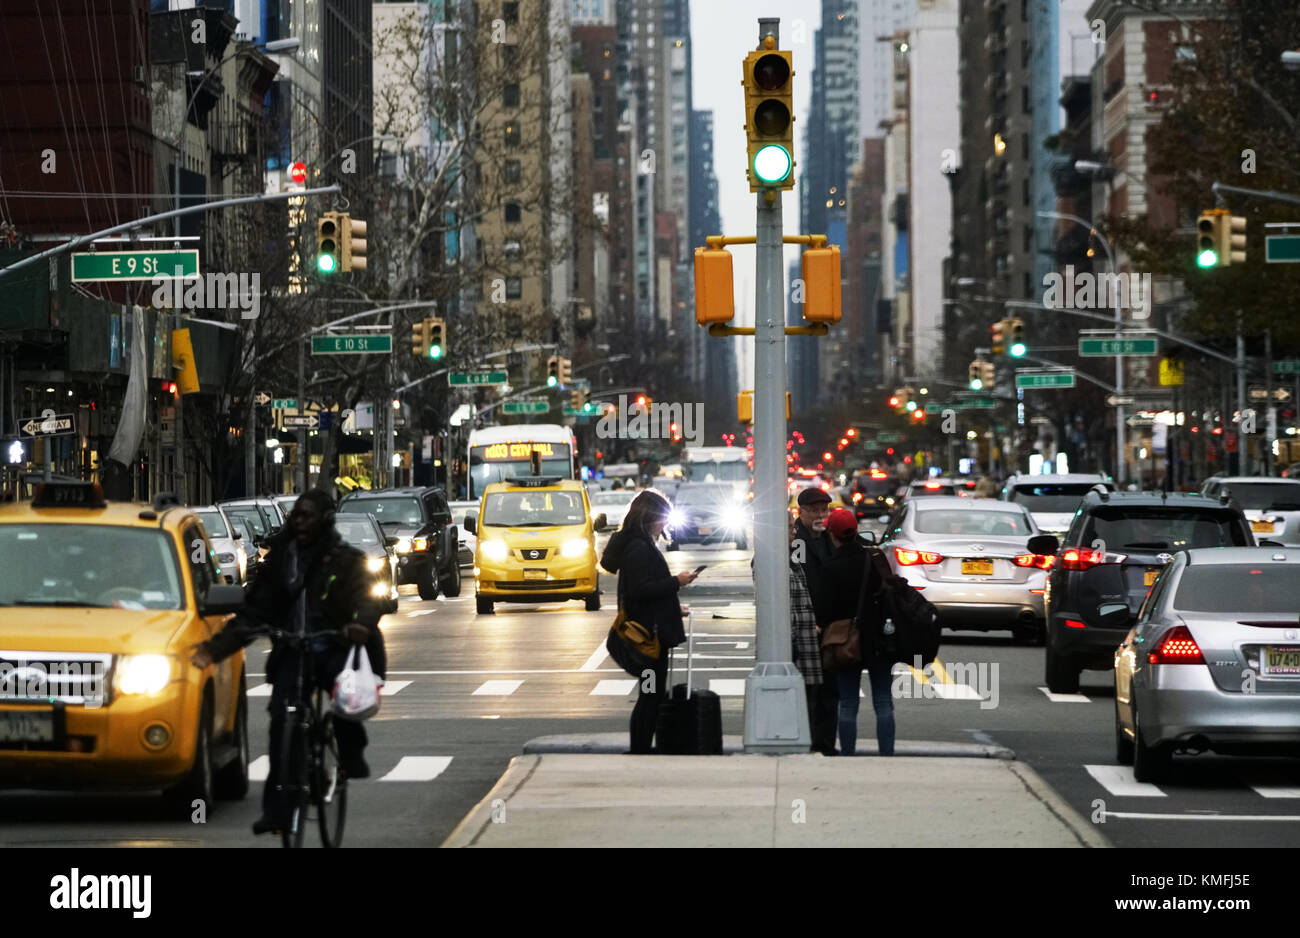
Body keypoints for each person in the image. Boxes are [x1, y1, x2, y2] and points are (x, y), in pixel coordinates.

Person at [188, 490, 386, 835]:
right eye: (297, 516)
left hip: (333, 644)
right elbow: (255, 609)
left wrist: (360, 625)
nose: (300, 523)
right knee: (281, 722)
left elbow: (367, 597)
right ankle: (277, 812)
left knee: (345, 698)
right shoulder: (281, 558)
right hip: (293, 648)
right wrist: (214, 650)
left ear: (324, 522)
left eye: (308, 516)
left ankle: (351, 753)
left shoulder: (345, 559)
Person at [600, 489, 699, 753]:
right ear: (650, 518)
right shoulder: (639, 548)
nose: (664, 525)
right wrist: (676, 582)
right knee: (650, 695)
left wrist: (672, 607)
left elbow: (643, 591)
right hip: (647, 637)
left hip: (647, 632)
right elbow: (641, 591)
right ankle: (640, 748)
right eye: (662, 519)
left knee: (650, 694)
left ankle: (642, 746)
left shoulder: (639, 544)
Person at [814, 508, 895, 756]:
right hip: (879, 639)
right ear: (856, 530)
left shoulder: (830, 567)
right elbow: (890, 593)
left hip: (845, 640)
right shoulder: (875, 558)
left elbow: (824, 610)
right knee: (883, 701)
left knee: (848, 703)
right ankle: (886, 755)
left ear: (832, 535)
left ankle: (848, 755)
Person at [791, 487, 838, 754]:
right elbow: (799, 577)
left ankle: (826, 743)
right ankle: (807, 740)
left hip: (830, 625)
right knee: (808, 689)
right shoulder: (797, 539)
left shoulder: (830, 537)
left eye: (824, 510)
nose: (821, 515)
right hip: (807, 623)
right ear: (802, 512)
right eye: (815, 510)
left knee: (829, 688)